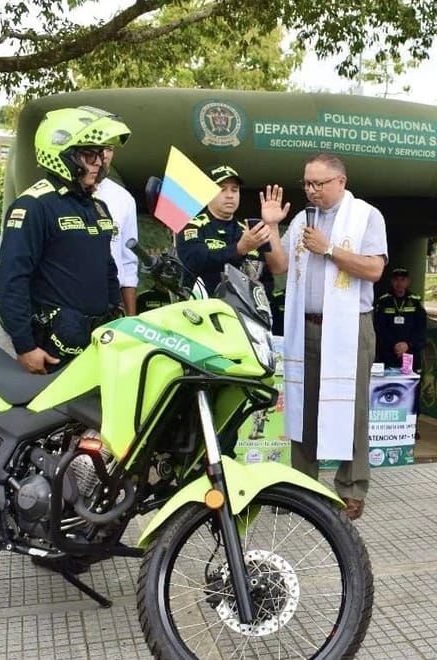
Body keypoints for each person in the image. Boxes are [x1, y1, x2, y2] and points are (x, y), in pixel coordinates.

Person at [272, 152, 388, 521]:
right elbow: (279, 266)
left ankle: (351, 488)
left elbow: (374, 268)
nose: (311, 190)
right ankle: (302, 485)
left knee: (352, 407)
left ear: (341, 181)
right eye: (306, 183)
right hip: (305, 325)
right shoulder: (303, 219)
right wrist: (274, 230)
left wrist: (330, 250)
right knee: (302, 405)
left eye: (318, 183)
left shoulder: (366, 215)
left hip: (351, 325)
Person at [0, 105, 131, 375]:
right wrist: (24, 346)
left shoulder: (97, 207)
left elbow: (107, 270)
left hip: (95, 341)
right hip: (52, 348)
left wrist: (119, 318)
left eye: (100, 155)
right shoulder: (33, 206)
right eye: (88, 154)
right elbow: (11, 279)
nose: (98, 163)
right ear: (63, 155)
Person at [176, 164, 287, 297]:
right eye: (222, 189)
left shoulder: (249, 230)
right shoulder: (191, 226)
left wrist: (271, 224)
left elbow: (268, 277)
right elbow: (196, 260)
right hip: (203, 311)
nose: (230, 195)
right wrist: (239, 249)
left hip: (244, 314)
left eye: (234, 190)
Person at [95, 146, 139, 315]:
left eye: (109, 149)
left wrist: (130, 318)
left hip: (111, 303)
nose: (104, 156)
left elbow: (128, 263)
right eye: (98, 148)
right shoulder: (52, 199)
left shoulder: (123, 198)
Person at [374, 267, 427, 371]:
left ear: (408, 282)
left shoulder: (415, 302)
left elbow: (421, 328)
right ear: (391, 281)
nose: (399, 283)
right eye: (396, 280)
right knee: (389, 384)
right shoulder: (384, 301)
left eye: (402, 280)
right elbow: (379, 328)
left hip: (409, 352)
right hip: (388, 352)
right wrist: (394, 344)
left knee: (409, 383)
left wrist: (408, 345)